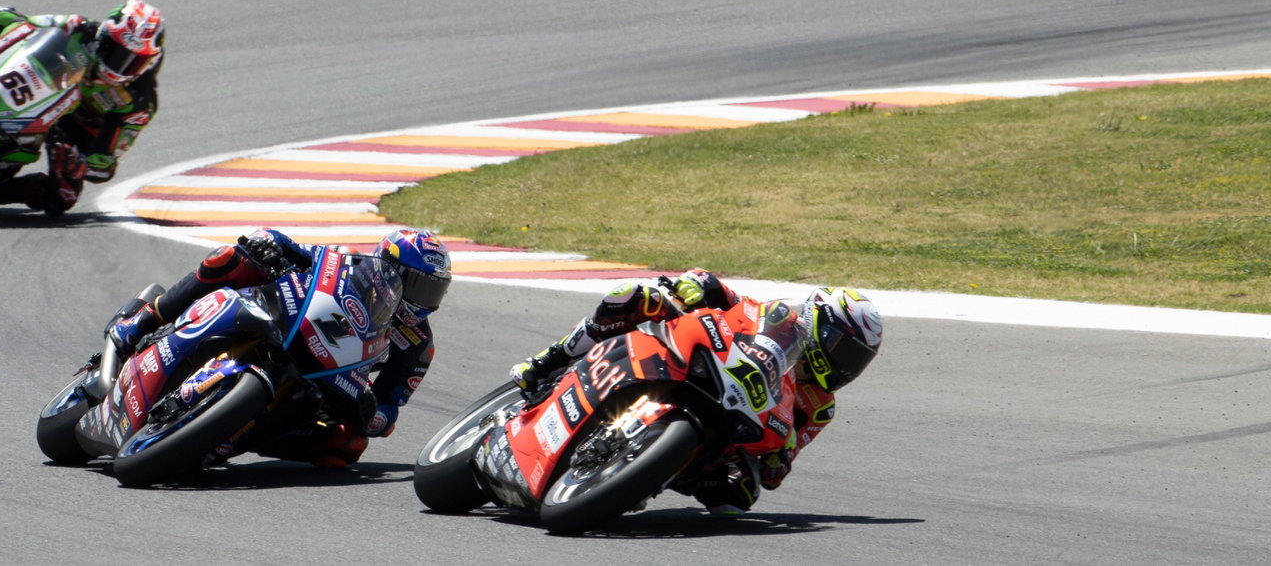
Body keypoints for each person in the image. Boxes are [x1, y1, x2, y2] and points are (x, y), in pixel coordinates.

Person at [509, 271, 882, 516]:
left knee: (738, 501)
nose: (846, 367)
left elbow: (779, 468)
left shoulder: (819, 408)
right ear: (818, 326)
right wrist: (695, 286)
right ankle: (548, 361)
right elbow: (715, 287)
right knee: (632, 297)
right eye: (844, 351)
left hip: (738, 426)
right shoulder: (775, 316)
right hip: (700, 365)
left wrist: (779, 459)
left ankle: (649, 472)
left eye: (857, 361)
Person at [106, 226, 451, 468]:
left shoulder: (418, 347)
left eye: (433, 291)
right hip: (281, 319)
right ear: (387, 266)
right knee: (232, 257)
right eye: (417, 285)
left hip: (330, 380)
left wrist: (373, 414)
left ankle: (228, 439)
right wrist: (268, 245)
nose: (423, 300)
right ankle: (145, 318)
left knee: (347, 446)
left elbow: (390, 410)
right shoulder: (350, 265)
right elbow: (291, 246)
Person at [0, 0, 165, 216]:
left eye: (133, 61)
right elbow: (24, 24)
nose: (119, 64)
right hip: (29, 94)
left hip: (67, 133)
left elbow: (105, 165)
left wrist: (82, 163)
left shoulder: (139, 102)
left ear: (149, 62)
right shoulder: (78, 28)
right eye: (114, 50)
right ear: (104, 34)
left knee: (62, 197)